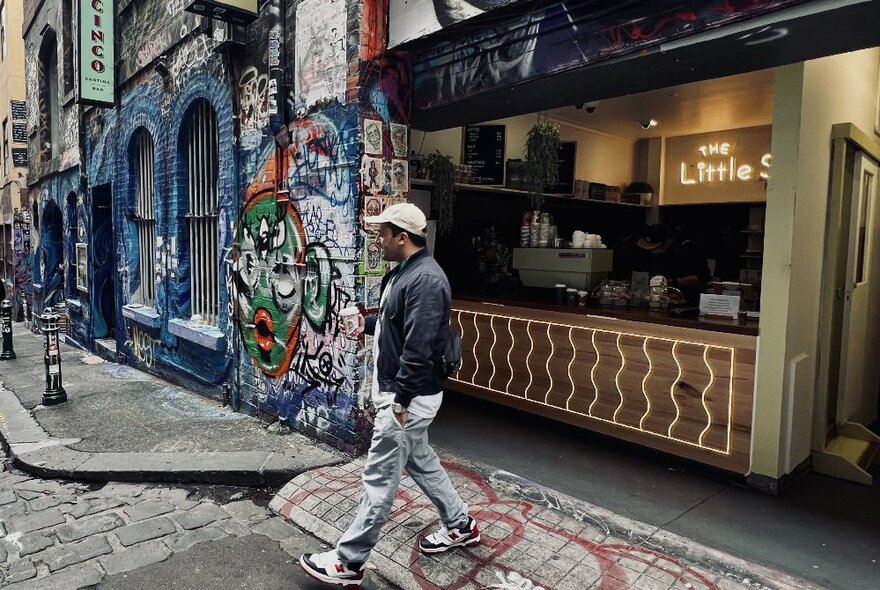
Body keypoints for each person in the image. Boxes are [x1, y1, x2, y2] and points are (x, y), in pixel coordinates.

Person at [300, 203, 479, 588]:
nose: (378, 241)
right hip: (405, 398)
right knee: (422, 463)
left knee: (379, 479)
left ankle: (349, 562)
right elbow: (393, 324)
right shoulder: (405, 274)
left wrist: (399, 404)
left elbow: (419, 348)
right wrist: (363, 323)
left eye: (382, 234)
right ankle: (460, 523)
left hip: (406, 402)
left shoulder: (427, 281)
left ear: (402, 236)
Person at [615, 224, 710, 303]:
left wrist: (671, 282)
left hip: (685, 300)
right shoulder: (648, 254)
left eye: (655, 247)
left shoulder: (688, 248)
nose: (652, 250)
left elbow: (702, 278)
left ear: (667, 241)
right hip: (656, 299)